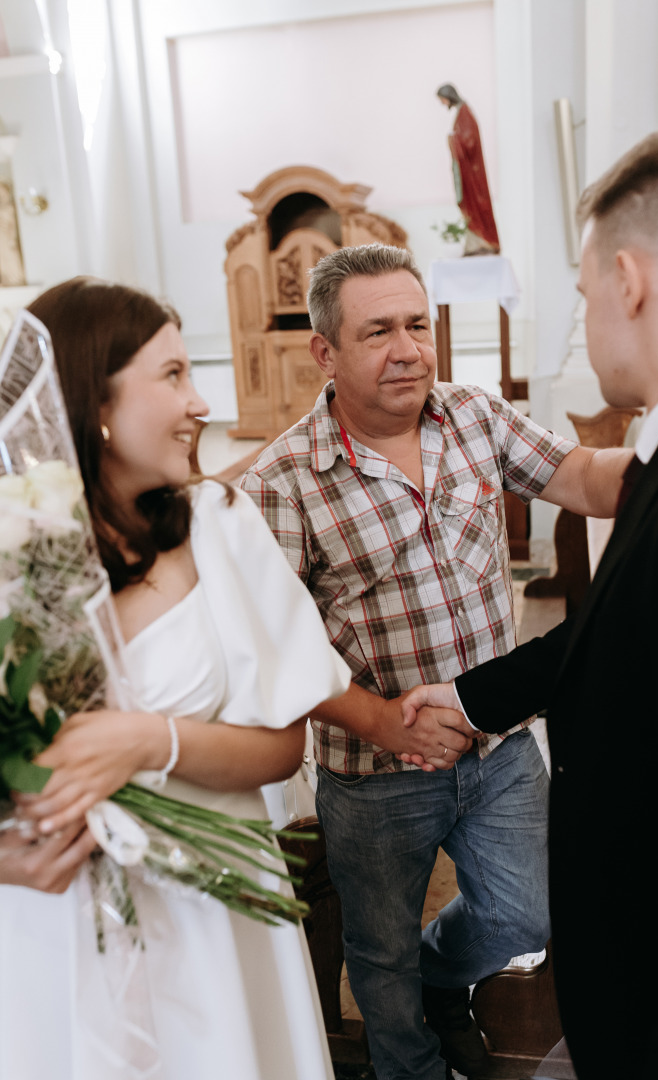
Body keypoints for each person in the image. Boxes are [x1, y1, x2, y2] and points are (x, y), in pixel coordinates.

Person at [239, 243, 632, 1080]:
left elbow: (588, 478)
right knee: (378, 959)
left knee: (526, 917)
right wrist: (384, 721)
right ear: (326, 352)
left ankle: (441, 980)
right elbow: (279, 650)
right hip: (375, 769)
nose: (409, 348)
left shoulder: (475, 416)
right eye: (377, 331)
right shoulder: (282, 482)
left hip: (498, 746)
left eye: (417, 324)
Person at [401, 130, 658, 1079]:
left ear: (627, 281)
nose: (588, 317)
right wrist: (470, 696)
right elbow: (631, 631)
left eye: (582, 296)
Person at [0, 276, 350, 1080]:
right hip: (45, 928)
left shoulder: (219, 527)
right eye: (172, 375)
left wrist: (147, 741)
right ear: (94, 403)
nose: (201, 403)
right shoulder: (14, 555)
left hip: (209, 919)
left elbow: (278, 749)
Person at [437, 83, 500, 255]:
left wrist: (452, 139)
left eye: (442, 100)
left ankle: (484, 241)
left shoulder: (465, 113)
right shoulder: (461, 112)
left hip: (473, 174)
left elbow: (470, 141)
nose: (443, 104)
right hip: (468, 173)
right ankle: (476, 242)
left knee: (477, 205)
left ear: (448, 96)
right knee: (469, 206)